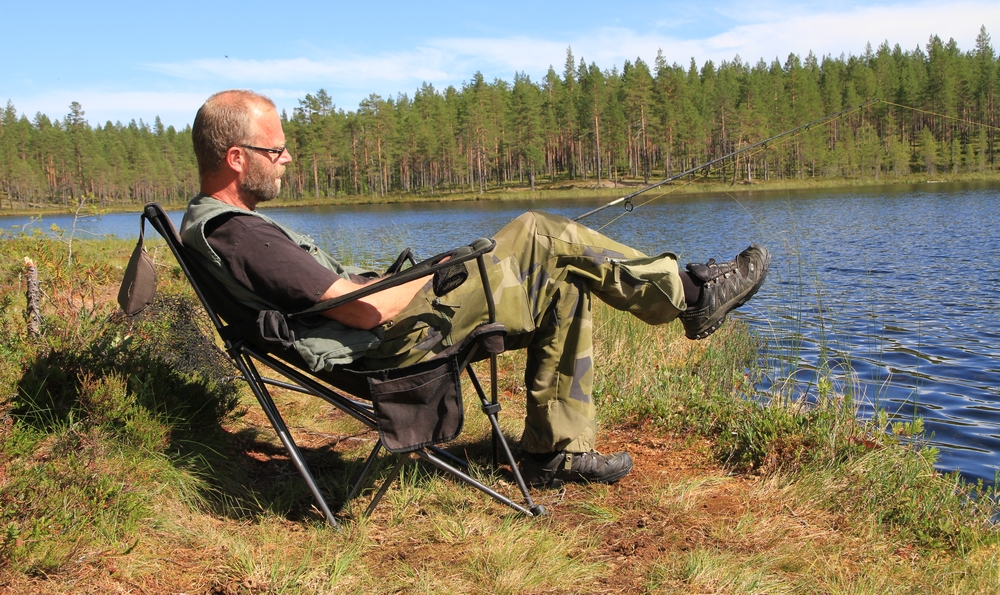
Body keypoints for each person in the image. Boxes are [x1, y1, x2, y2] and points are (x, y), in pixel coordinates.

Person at [180, 89, 770, 487]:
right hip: (387, 349)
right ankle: (691, 297)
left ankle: (551, 451)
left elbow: (336, 295)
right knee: (540, 233)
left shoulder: (227, 229)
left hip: (380, 337)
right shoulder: (240, 234)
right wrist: (432, 276)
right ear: (236, 158)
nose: (287, 159)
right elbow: (360, 312)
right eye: (275, 149)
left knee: (562, 282)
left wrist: (421, 272)